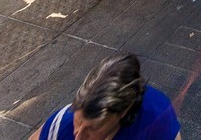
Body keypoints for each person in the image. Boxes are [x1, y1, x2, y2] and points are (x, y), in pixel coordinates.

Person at [31, 53, 181, 140]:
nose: (79, 137)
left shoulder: (157, 115)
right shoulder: (62, 125)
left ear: (122, 112)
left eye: (93, 128)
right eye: (78, 122)